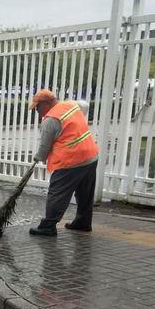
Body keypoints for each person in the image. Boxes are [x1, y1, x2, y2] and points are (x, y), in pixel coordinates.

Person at [28, 89, 100, 237]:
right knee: (85, 193)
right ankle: (83, 223)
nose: (36, 110)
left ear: (47, 103)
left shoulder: (50, 120)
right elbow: (85, 106)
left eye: (38, 106)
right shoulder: (71, 105)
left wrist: (38, 157)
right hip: (90, 156)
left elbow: (44, 147)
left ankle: (48, 226)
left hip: (71, 161)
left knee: (57, 193)